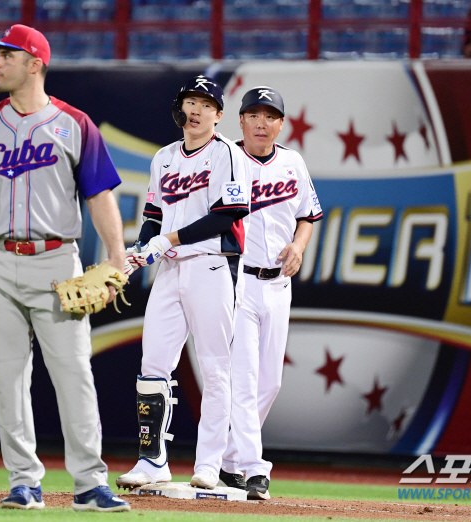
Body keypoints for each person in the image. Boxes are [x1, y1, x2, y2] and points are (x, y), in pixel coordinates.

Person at [0, 25, 130, 512]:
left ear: (35, 63)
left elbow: (99, 194)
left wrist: (115, 255)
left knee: (74, 374)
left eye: (7, 55)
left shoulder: (74, 124)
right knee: (8, 377)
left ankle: (90, 483)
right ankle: (24, 482)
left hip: (55, 260)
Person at [115, 75, 251, 491]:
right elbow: (154, 217)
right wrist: (136, 253)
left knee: (214, 367)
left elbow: (227, 214)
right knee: (153, 364)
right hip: (170, 270)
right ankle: (151, 461)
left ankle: (209, 464)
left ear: (219, 115)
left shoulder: (227, 153)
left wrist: (165, 241)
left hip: (212, 265)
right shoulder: (164, 157)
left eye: (206, 104)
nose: (196, 109)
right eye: (190, 101)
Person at [218, 87, 323, 500]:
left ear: (281, 123)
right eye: (254, 115)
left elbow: (308, 216)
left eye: (270, 116)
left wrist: (298, 246)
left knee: (271, 383)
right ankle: (254, 468)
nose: (262, 123)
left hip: (279, 283)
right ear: (240, 120)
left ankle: (229, 462)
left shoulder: (293, 162)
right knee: (243, 380)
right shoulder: (225, 158)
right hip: (238, 281)